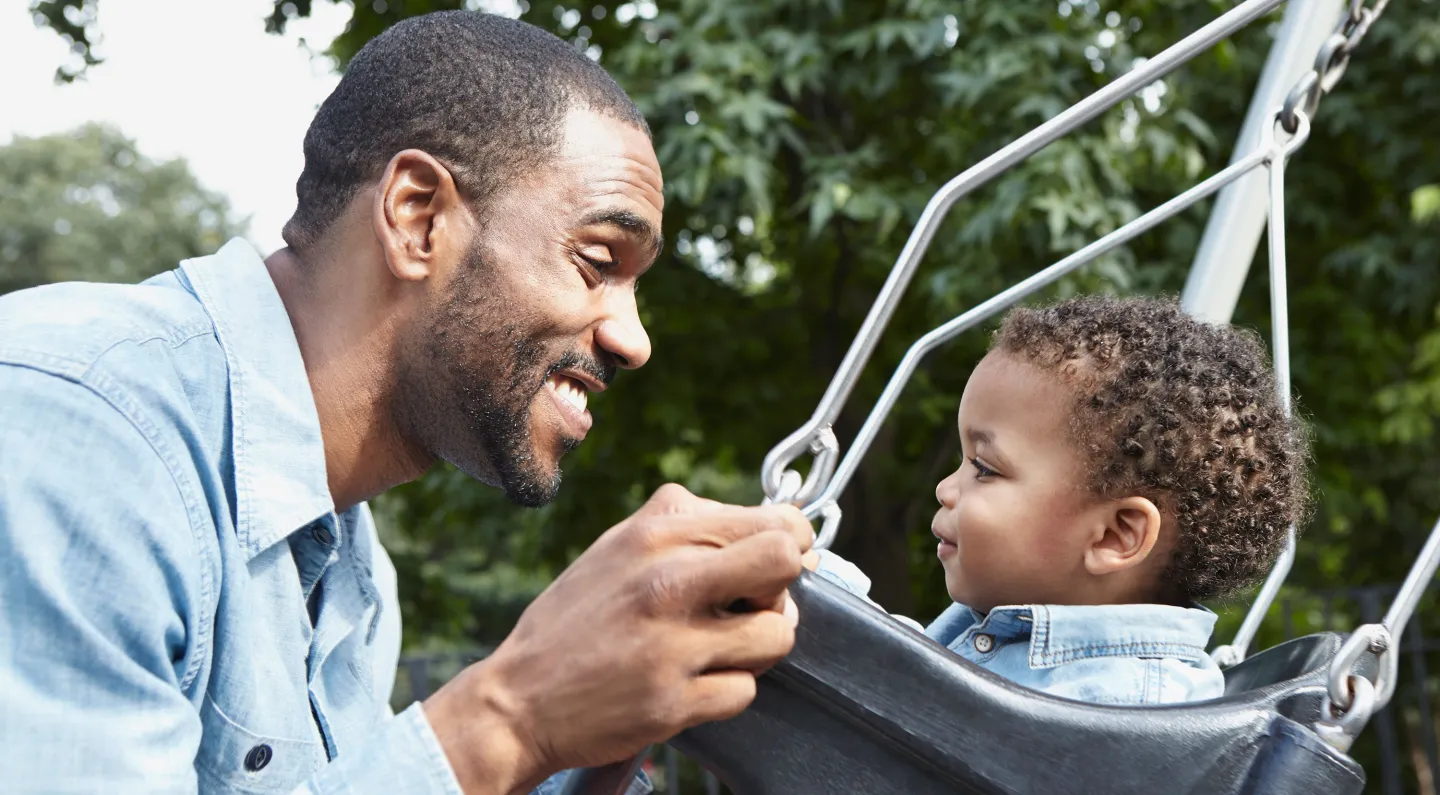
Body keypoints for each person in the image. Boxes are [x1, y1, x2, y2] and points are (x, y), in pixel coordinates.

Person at [0, 11, 816, 795]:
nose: (633, 339)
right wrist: (509, 717)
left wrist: (560, 758)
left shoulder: (354, 571)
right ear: (418, 216)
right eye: (598, 260)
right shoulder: (81, 429)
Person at [813, 295, 1310, 705]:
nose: (945, 489)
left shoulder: (1123, 711)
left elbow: (915, 714)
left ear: (1115, 535)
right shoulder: (1007, 627)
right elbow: (904, 665)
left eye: (984, 469)